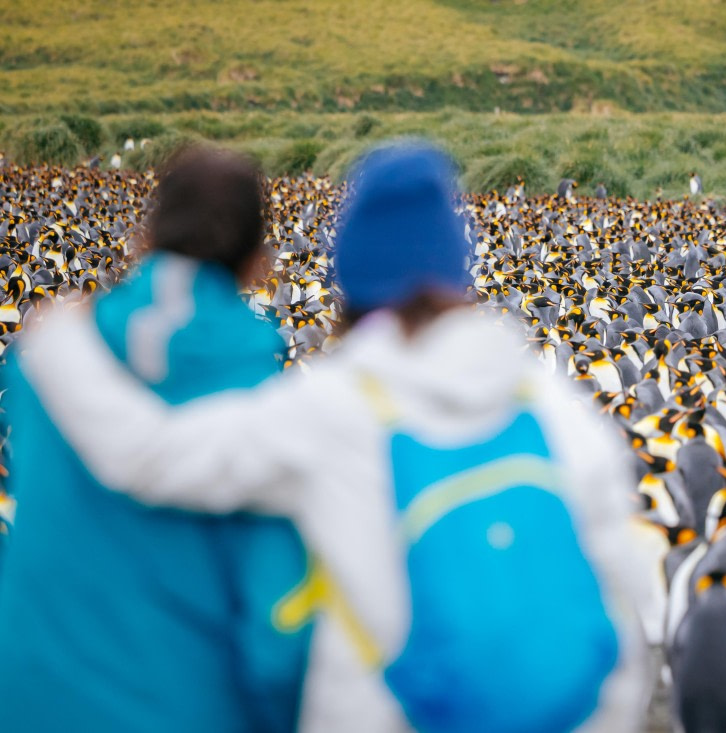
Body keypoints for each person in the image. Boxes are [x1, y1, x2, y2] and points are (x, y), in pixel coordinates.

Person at [20, 141, 648, 732]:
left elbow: (148, 456)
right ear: (457, 268)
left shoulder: (334, 408)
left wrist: (57, 343)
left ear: (352, 279)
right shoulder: (557, 405)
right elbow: (629, 600)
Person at [0, 147, 312, 730]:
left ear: (146, 237)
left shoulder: (39, 360)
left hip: (30, 702)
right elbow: (278, 627)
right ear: (259, 263)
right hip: (184, 709)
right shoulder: (265, 400)